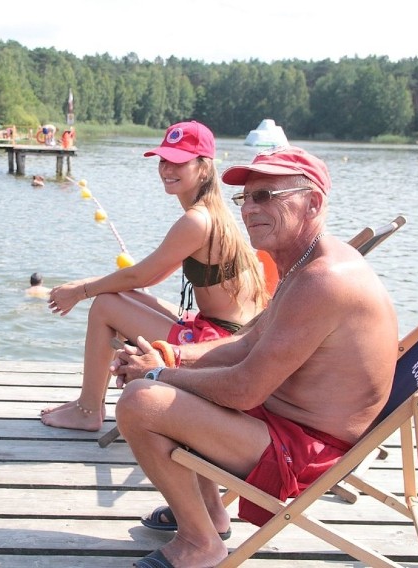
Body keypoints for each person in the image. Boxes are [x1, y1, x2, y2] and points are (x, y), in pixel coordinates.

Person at [110, 146, 398, 568]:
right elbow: (245, 343)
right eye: (246, 199)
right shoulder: (305, 264)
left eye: (267, 196)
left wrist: (155, 374)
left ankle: (200, 544)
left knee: (140, 402)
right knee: (177, 386)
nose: (248, 210)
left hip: (306, 451)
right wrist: (170, 355)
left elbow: (244, 390)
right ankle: (209, 514)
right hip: (285, 424)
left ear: (313, 202)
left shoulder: (325, 280)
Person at [41, 121, 269, 431]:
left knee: (105, 305)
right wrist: (98, 287)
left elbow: (141, 275)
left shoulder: (197, 220)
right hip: (230, 334)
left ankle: (88, 409)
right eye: (163, 159)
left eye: (178, 161)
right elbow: (151, 277)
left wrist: (80, 290)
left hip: (219, 344)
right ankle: (88, 401)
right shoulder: (212, 212)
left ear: (203, 168)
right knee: (118, 298)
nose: (166, 168)